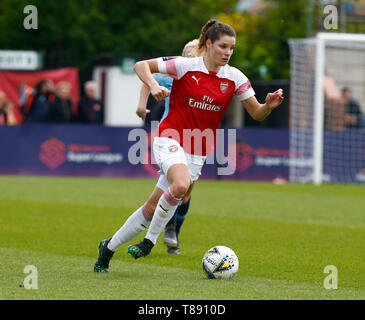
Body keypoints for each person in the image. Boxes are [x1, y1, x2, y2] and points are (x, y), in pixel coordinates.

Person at [94, 19, 284, 273]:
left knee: (152, 208)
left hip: (198, 149)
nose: (228, 52)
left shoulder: (235, 77)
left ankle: (107, 247)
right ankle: (150, 242)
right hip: (169, 137)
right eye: (223, 46)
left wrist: (268, 107)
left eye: (232, 48)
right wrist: (153, 86)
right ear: (208, 44)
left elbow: (257, 113)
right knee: (181, 186)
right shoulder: (185, 66)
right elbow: (141, 66)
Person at [136, 39, 201, 255]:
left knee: (187, 192)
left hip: (198, 138)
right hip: (172, 136)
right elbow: (148, 76)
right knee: (176, 185)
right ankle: (168, 228)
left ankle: (174, 233)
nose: (192, 59)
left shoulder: (210, 75)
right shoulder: (175, 72)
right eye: (189, 55)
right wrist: (141, 106)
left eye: (196, 55)